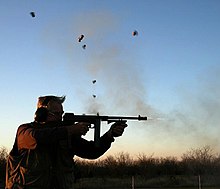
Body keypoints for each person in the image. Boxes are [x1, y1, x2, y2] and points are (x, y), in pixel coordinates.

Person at [5, 95, 127, 189]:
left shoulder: (66, 135)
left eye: (61, 113)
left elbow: (92, 152)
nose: (60, 117)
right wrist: (71, 129)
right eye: (56, 113)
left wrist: (109, 135)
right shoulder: (25, 130)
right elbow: (38, 138)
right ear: (41, 114)